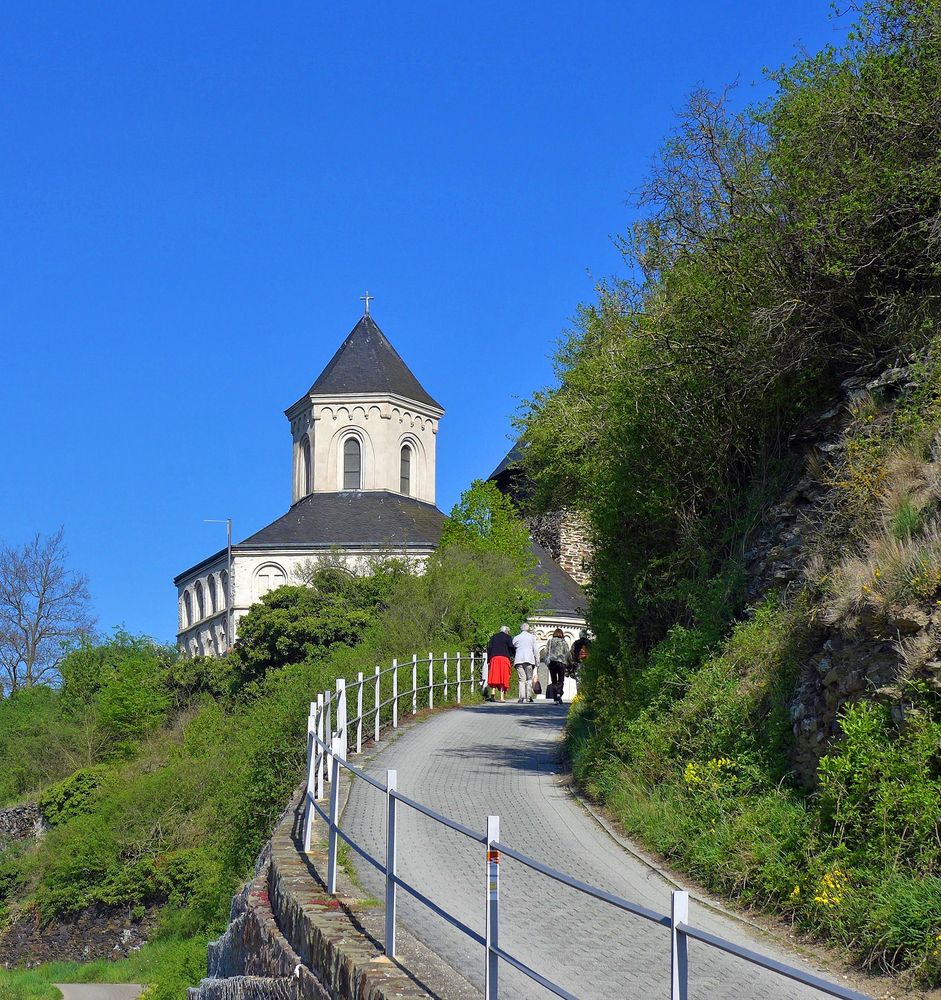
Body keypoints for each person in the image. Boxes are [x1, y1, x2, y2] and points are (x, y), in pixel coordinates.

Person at [512, 623, 539, 703]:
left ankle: (521, 697)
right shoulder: (532, 637)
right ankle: (529, 697)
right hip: (529, 660)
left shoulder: (516, 638)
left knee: (521, 679)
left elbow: (513, 648)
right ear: (528, 629)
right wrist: (537, 661)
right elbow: (535, 650)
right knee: (529, 678)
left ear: (521, 628)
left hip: (519, 660)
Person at [486, 626, 514, 702]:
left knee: (494, 676)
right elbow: (511, 647)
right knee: (503, 677)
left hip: (494, 658)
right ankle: (502, 697)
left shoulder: (493, 637)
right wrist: (512, 656)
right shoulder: (508, 637)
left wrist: (488, 660)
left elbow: (489, 648)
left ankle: (493, 694)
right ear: (506, 631)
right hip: (504, 658)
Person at [546, 627, 570, 705]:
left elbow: (546, 651)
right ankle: (559, 693)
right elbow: (567, 653)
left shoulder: (550, 641)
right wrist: (568, 662)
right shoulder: (564, 642)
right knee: (561, 680)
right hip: (561, 662)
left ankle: (555, 698)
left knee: (554, 680)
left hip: (552, 662)